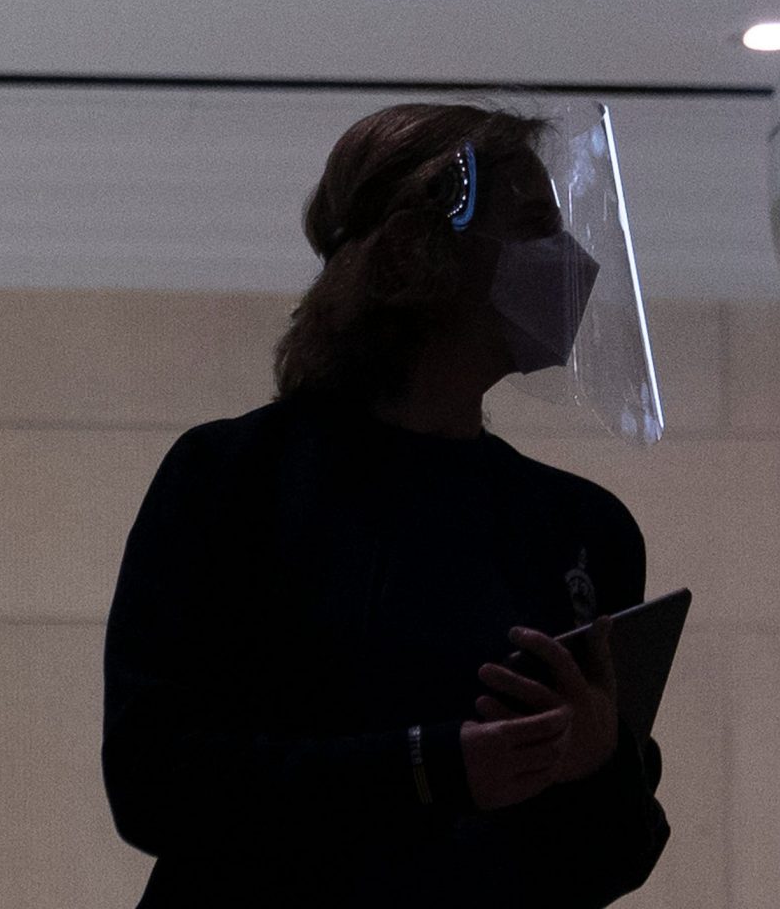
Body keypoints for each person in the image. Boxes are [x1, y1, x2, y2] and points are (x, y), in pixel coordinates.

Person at [102, 103, 671, 907]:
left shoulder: (582, 528)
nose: (576, 262)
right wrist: (432, 767)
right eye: (536, 226)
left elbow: (611, 861)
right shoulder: (234, 479)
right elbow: (154, 782)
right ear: (416, 252)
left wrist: (593, 762)